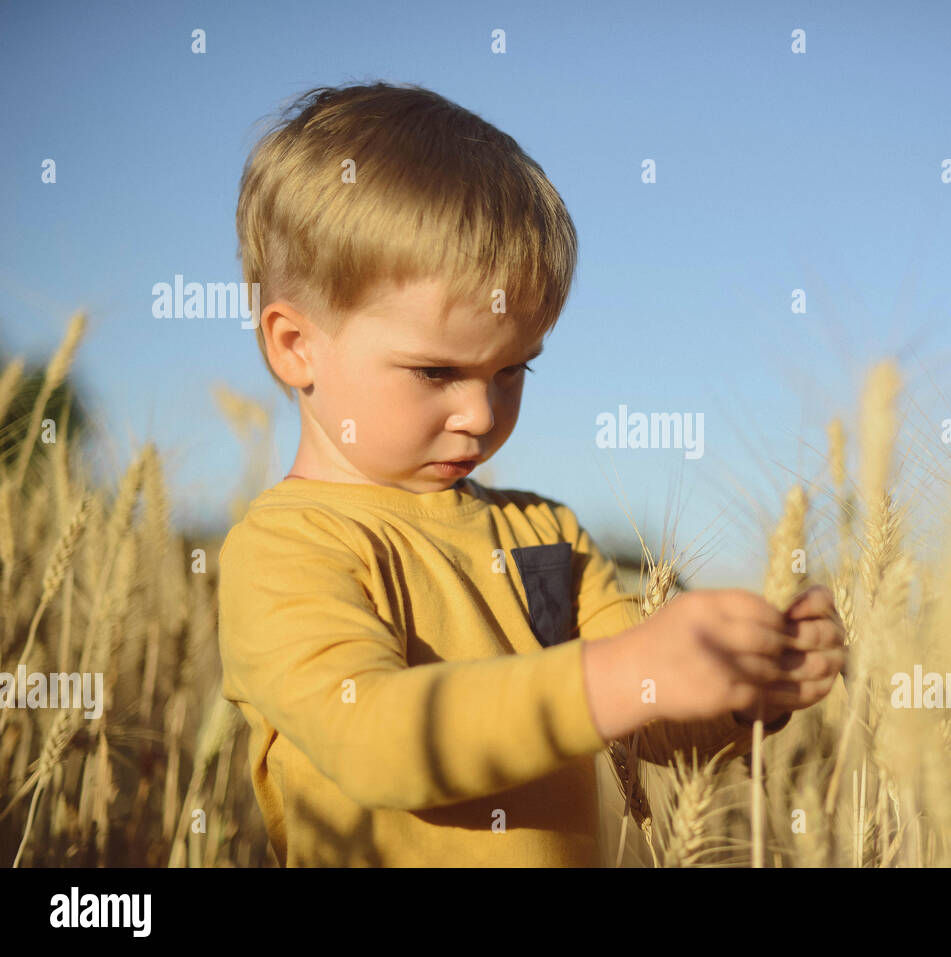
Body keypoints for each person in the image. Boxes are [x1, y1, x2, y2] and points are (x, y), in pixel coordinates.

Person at [218, 82, 845, 866]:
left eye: (513, 370)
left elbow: (653, 722)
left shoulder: (545, 532)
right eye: (436, 371)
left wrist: (747, 686)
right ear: (294, 344)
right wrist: (618, 672)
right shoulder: (284, 549)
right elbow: (373, 738)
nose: (482, 414)